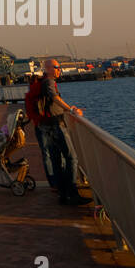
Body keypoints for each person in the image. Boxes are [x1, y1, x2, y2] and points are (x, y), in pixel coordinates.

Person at [33, 58, 89, 206]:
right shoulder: (49, 82)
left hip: (47, 126)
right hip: (56, 125)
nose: (59, 70)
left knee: (57, 160)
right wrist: (71, 109)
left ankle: (63, 195)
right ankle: (72, 193)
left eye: (59, 68)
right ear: (49, 68)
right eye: (57, 67)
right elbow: (54, 97)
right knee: (72, 158)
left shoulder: (42, 82)